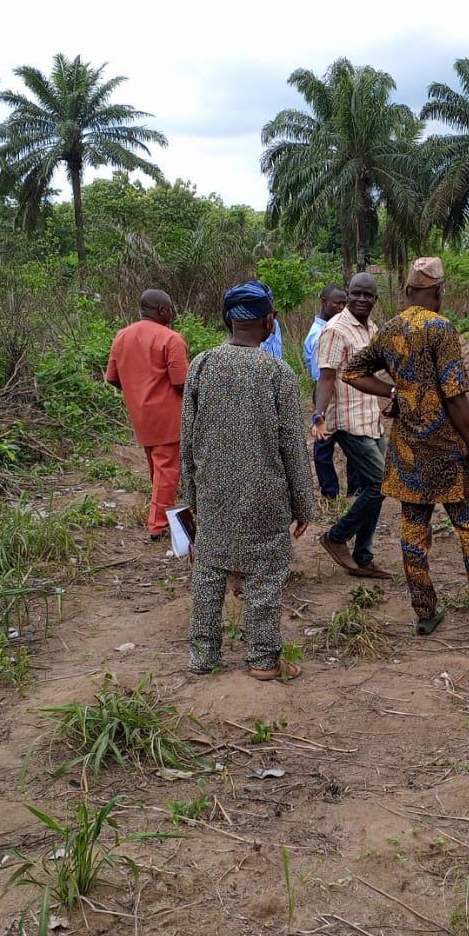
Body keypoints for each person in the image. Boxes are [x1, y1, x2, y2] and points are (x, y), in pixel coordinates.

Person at [342, 257, 469, 639]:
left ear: (406, 292)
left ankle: (425, 613)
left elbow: (352, 372)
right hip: (447, 450)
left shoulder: (390, 329)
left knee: (413, 530)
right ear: (438, 292)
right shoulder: (441, 329)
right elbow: (454, 394)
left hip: (407, 450)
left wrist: (394, 391)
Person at [181, 281, 314, 680]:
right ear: (269, 322)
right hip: (265, 493)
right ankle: (262, 659)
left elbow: (186, 438)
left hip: (213, 490)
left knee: (208, 573)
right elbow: (293, 444)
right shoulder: (277, 371)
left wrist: (192, 495)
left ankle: (203, 658)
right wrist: (304, 503)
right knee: (265, 578)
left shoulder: (202, 365)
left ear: (228, 320)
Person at [313, 272, 393, 579]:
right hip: (347, 421)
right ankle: (336, 537)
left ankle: (363, 556)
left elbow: (381, 367)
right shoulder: (336, 330)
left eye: (367, 295)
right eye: (355, 293)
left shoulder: (372, 328)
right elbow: (326, 377)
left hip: (370, 418)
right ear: (348, 294)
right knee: (380, 483)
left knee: (380, 485)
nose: (361, 299)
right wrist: (318, 415)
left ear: (375, 299)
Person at [105, 288, 189, 541]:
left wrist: (137, 391)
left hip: (140, 415)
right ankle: (158, 525)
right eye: (170, 309)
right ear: (162, 310)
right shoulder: (171, 338)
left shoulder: (121, 336)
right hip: (167, 417)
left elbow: (112, 378)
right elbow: (181, 382)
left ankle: (159, 512)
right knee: (168, 471)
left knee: (158, 469)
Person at [303, 284, 349, 501]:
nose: (341, 307)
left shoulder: (335, 328)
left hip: (339, 389)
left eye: (343, 303)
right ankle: (330, 493)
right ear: (323, 303)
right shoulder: (319, 334)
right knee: (324, 445)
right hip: (326, 392)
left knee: (351, 439)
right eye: (336, 302)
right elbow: (320, 374)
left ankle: (353, 489)